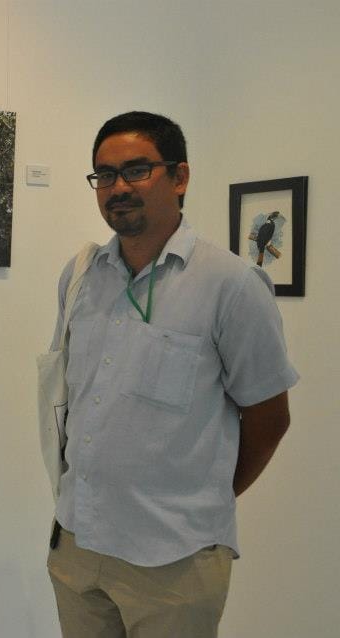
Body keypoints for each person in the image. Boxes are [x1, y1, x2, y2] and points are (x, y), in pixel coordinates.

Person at [45, 111, 298, 638]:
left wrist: (201, 501)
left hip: (173, 562)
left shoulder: (231, 285)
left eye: (137, 170)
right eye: (105, 174)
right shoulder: (80, 277)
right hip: (77, 545)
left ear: (179, 178)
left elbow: (269, 416)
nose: (118, 187)